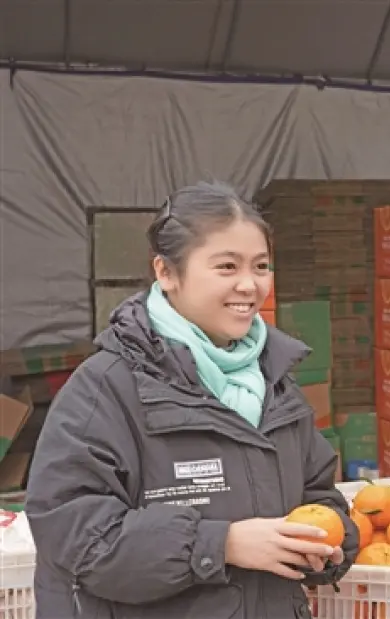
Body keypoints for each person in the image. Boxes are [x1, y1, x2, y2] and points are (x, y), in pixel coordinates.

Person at [25, 181, 359, 619]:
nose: (249, 285)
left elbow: (318, 492)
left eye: (261, 266)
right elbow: (74, 533)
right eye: (226, 267)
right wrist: (221, 544)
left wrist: (328, 543)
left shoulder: (275, 384)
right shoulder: (108, 386)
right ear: (166, 273)